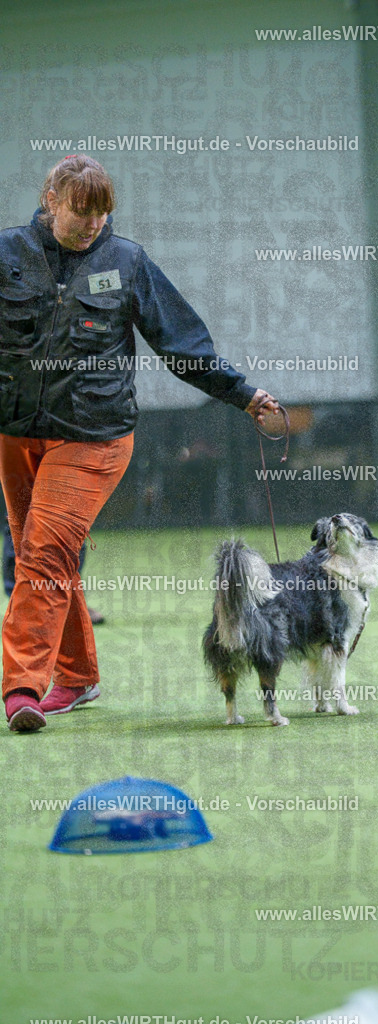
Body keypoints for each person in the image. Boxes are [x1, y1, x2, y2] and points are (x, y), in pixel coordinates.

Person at [0, 155, 279, 732]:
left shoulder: (127, 262)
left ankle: (21, 688)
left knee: (45, 552)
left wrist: (242, 394)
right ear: (50, 200)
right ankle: (78, 677)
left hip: (94, 435)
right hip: (16, 431)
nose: (93, 225)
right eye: (81, 212)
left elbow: (181, 343)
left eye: (102, 214)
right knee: (42, 556)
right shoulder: (7, 255)